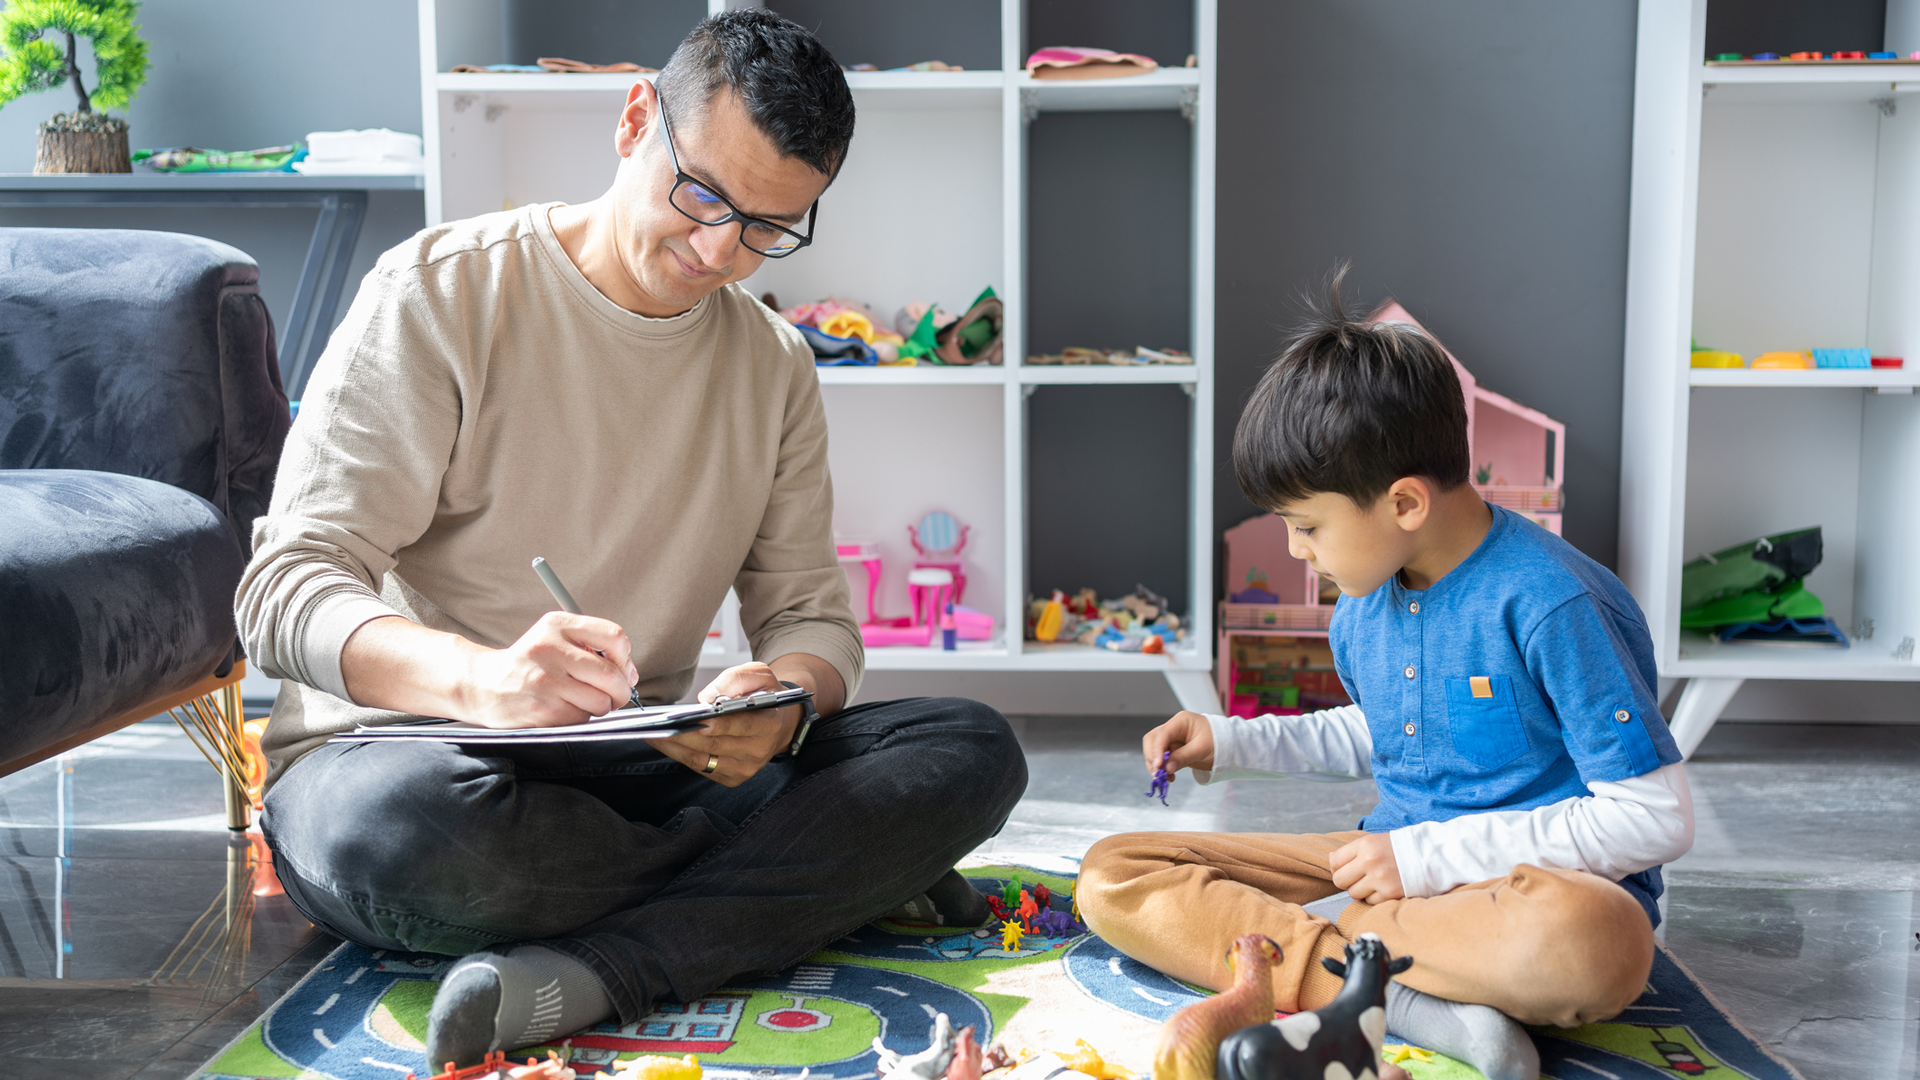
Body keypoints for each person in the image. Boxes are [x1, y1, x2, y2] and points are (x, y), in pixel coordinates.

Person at [235, 11, 1025, 1066]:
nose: (718, 250)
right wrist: (486, 683)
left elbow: (811, 617)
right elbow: (283, 591)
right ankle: (818, 878)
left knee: (967, 747)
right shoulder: (439, 294)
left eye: (766, 227)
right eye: (701, 197)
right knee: (403, 842)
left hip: (641, 758)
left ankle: (598, 970)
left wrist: (781, 695)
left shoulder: (775, 366)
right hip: (415, 763)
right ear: (634, 120)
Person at [1075, 272, 1692, 1080]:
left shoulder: (1553, 603)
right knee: (1114, 875)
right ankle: (1416, 1003)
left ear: (1404, 504)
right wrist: (1229, 739)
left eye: (1308, 527)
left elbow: (1656, 819)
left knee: (1598, 944)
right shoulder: (1363, 603)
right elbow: (1392, 729)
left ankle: (1310, 964)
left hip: (1521, 896)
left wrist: (1428, 861)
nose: (1298, 552)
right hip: (1383, 876)